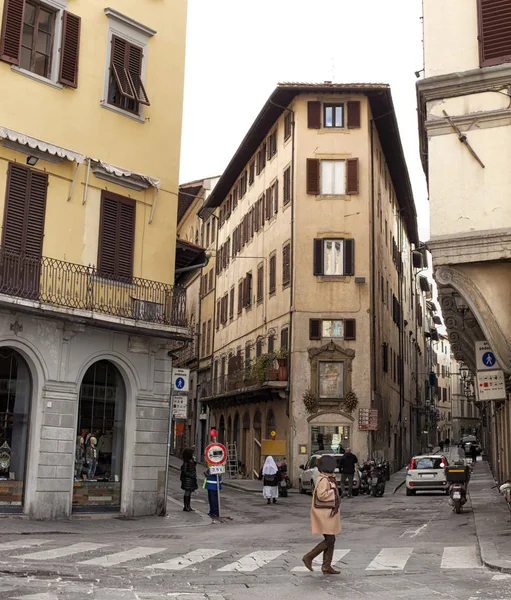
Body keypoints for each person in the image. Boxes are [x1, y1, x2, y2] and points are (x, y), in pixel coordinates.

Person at [302, 455, 341, 575]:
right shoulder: (324, 480)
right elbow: (321, 495)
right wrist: (333, 492)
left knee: (331, 539)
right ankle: (309, 557)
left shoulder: (327, 478)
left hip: (327, 513)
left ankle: (326, 566)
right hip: (324, 514)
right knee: (330, 539)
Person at [180, 447, 198, 512]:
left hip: (191, 479)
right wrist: (191, 475)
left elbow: (193, 467)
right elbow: (184, 471)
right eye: (192, 454)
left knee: (189, 492)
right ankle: (186, 506)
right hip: (188, 480)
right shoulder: (186, 462)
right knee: (187, 492)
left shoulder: (191, 460)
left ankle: (188, 506)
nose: (193, 455)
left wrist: (195, 461)